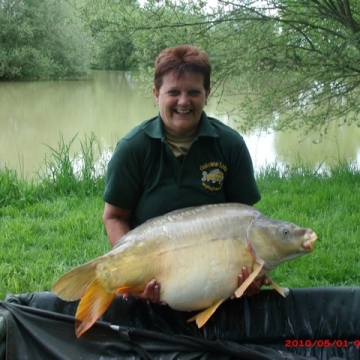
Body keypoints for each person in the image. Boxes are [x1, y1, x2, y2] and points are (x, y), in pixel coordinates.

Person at [102, 44, 270, 303]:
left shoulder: (230, 145)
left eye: (193, 92)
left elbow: (243, 222)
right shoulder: (132, 148)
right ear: (156, 93)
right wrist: (132, 270)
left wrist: (247, 274)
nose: (183, 101)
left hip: (213, 274)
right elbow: (114, 217)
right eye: (173, 92)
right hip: (157, 267)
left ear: (207, 93)